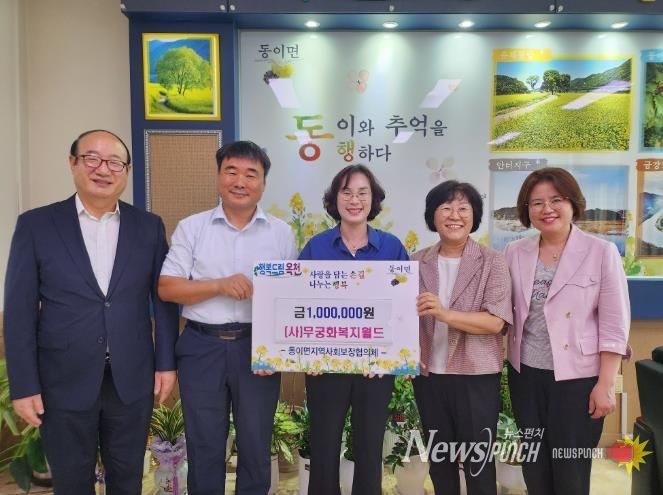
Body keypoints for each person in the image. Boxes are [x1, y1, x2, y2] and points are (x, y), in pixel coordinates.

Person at [3, 129, 179, 494]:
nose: (104, 169)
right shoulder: (36, 225)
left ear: (126, 171)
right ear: (73, 163)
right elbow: (19, 311)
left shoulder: (148, 227)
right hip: (62, 379)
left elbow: (163, 300)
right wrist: (24, 385)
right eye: (92, 159)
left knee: (128, 479)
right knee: (71, 482)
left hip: (130, 378)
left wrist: (165, 363)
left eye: (115, 162)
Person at [158, 140, 297, 494]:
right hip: (201, 346)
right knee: (204, 443)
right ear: (219, 176)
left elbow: (290, 297)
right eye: (231, 171)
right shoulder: (192, 227)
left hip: (257, 348)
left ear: (263, 183)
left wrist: (275, 349)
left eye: (251, 174)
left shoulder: (281, 233)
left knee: (256, 443)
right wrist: (219, 285)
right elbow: (167, 288)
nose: (240, 181)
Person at [504, 167, 630, 495]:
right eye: (537, 203)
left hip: (578, 380)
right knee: (535, 467)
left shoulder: (601, 251)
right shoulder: (515, 252)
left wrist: (605, 384)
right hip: (526, 376)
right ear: (527, 210)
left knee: (570, 471)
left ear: (573, 203)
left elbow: (615, 325)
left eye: (556, 200)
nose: (547, 209)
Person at [298, 164, 408, 495]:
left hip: (376, 368)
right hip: (325, 366)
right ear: (335, 199)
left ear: (373, 200)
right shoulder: (316, 248)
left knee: (370, 447)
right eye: (346, 192)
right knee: (323, 445)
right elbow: (297, 305)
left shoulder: (392, 248)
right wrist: (307, 355)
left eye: (363, 193)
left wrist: (389, 357)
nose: (354, 200)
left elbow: (403, 309)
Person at [411, 180, 512, 495]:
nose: (454, 215)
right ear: (433, 215)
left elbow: (496, 322)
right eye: (446, 208)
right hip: (429, 376)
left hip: (476, 377)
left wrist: (445, 314)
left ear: (474, 216)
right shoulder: (415, 262)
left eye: (463, 208)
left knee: (478, 463)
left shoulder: (493, 261)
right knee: (439, 460)